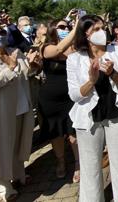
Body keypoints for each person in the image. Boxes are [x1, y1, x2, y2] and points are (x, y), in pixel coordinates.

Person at [66, 15, 118, 202]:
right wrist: (91, 81)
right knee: (90, 166)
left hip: (115, 113)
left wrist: (112, 73)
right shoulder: (73, 59)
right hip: (88, 117)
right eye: (95, 29)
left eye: (103, 27)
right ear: (85, 34)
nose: (101, 32)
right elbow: (74, 95)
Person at [0, 22, 39, 201]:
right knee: (1, 149)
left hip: (21, 105)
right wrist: (10, 67)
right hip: (0, 112)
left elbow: (26, 73)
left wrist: (34, 66)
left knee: (18, 144)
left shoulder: (15, 51)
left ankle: (18, 174)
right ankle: (3, 188)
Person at [38, 15, 80, 182]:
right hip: (50, 100)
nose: (65, 30)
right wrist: (76, 28)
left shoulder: (74, 47)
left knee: (73, 132)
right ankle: (61, 161)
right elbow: (57, 51)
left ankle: (78, 163)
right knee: (56, 133)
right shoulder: (46, 47)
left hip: (71, 98)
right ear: (52, 30)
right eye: (61, 27)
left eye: (67, 27)